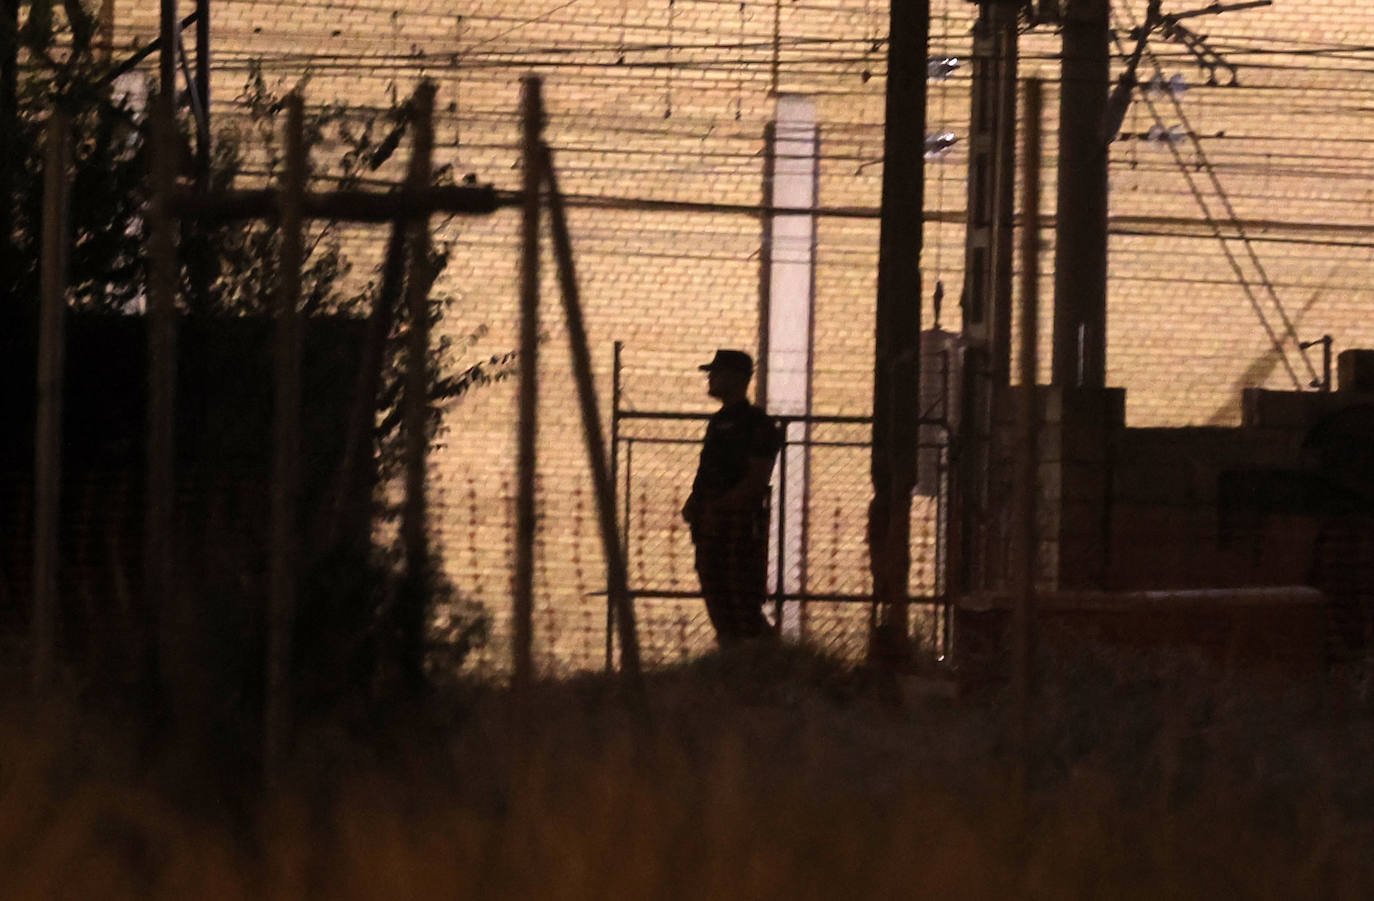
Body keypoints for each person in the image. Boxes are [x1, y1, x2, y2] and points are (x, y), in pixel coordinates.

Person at [681, 349, 782, 645]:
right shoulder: (718, 422)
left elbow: (756, 478)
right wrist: (695, 505)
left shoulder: (757, 424)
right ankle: (733, 654)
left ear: (737, 378)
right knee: (716, 593)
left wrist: (720, 507)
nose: (711, 378)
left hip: (738, 525)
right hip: (712, 526)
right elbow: (708, 471)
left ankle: (759, 656)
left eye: (717, 372)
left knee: (740, 598)